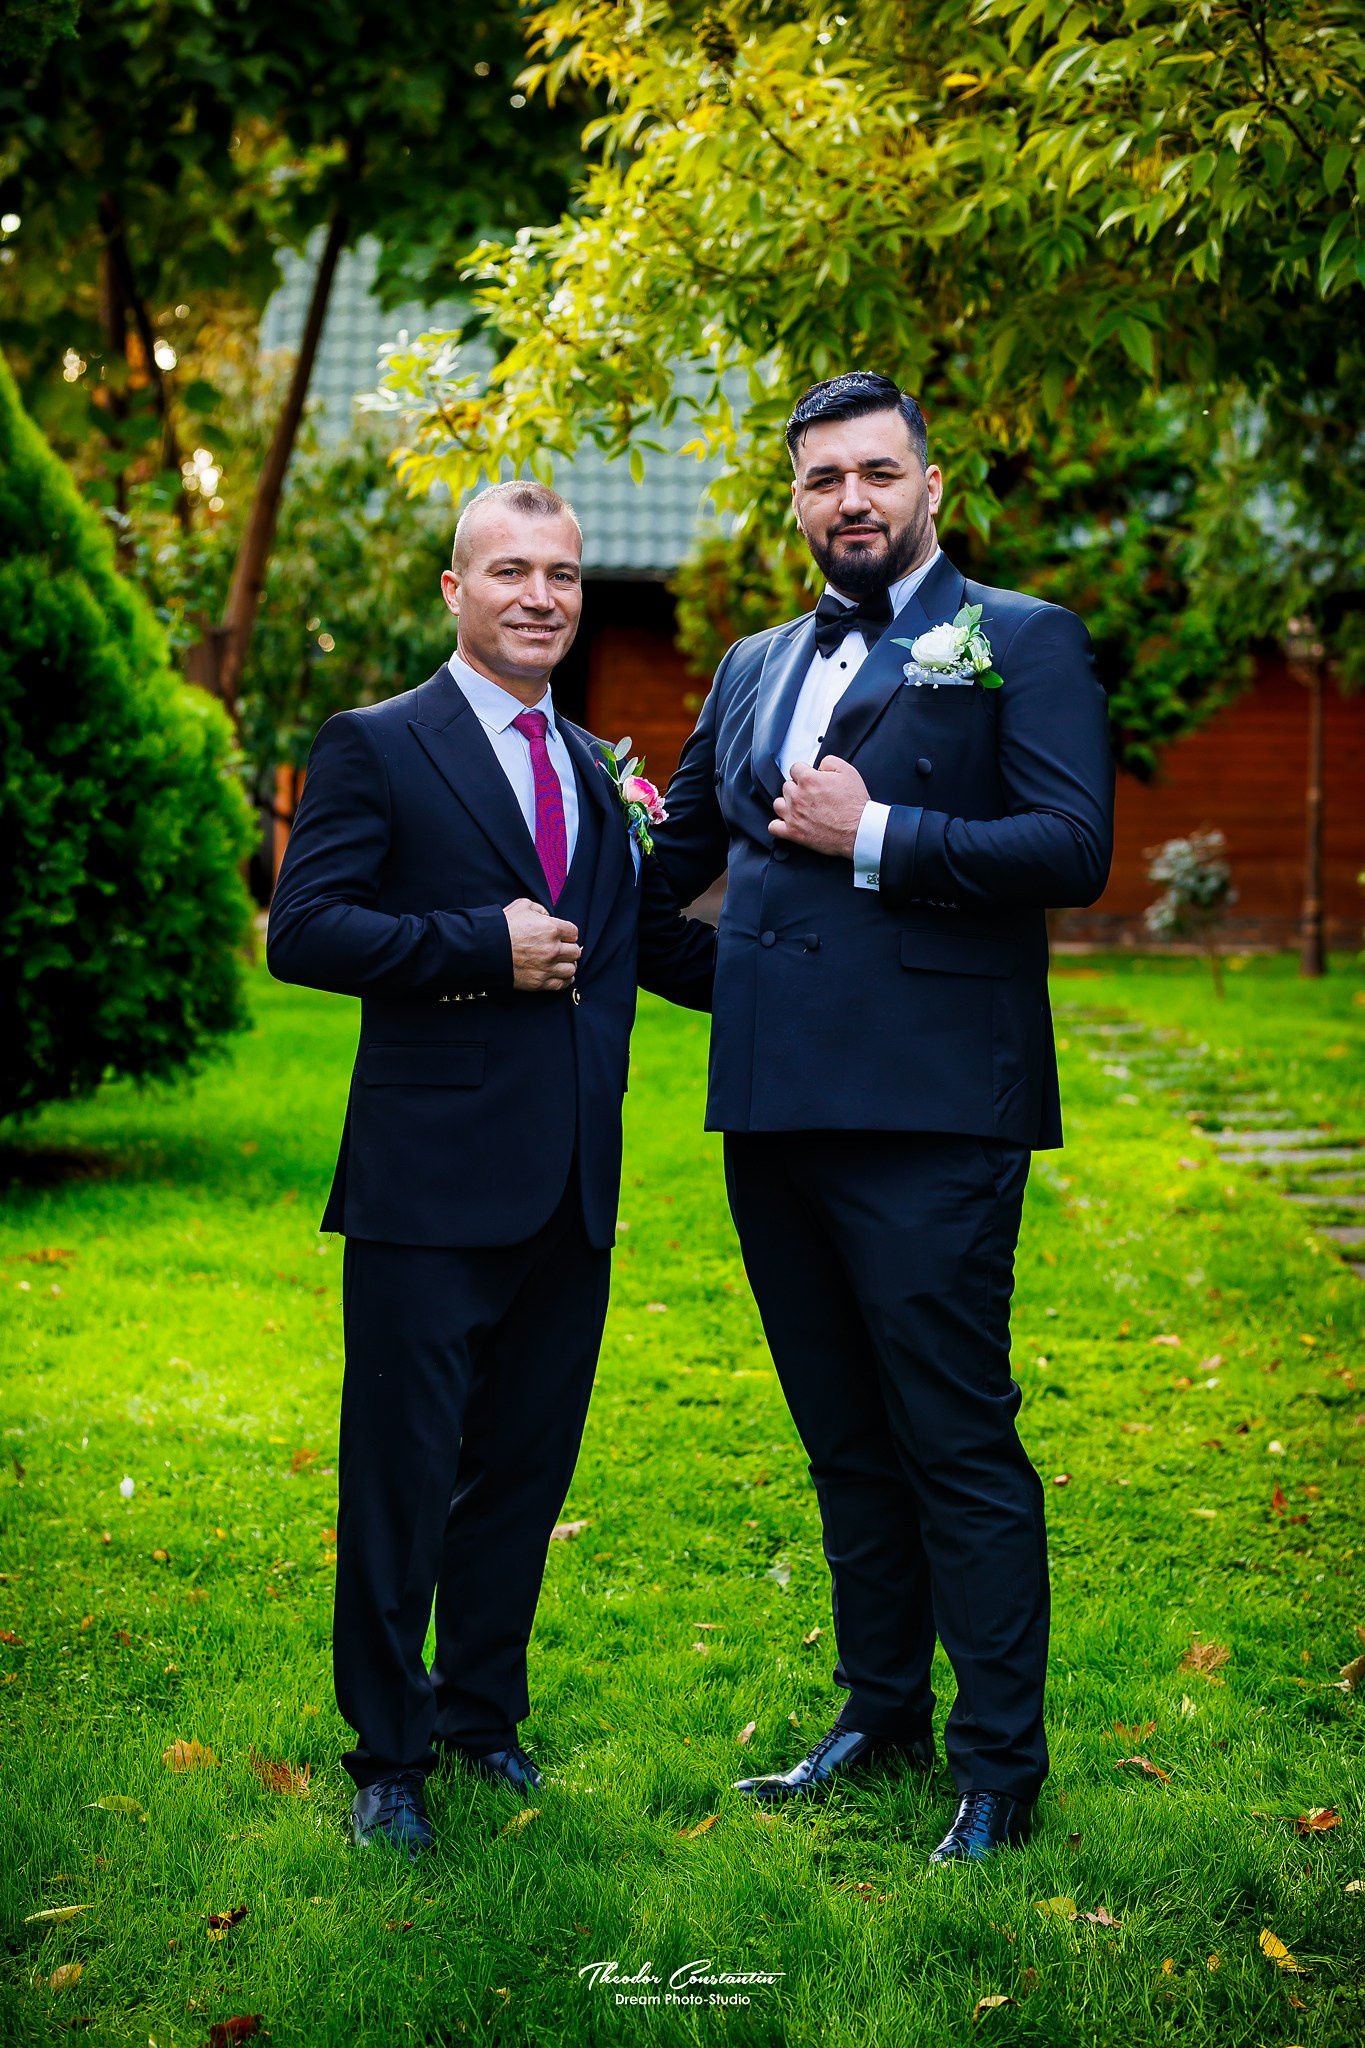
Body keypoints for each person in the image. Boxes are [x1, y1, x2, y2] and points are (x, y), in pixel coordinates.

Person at [650, 373, 1114, 1864]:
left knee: (952, 1436)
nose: (849, 499)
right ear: (794, 502)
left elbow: (1072, 845)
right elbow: (671, 869)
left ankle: (998, 1768)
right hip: (774, 1109)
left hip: (933, 1111)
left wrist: (881, 834)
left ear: (929, 487)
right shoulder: (749, 665)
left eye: (875, 472)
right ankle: (879, 1714)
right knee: (843, 1436)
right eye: (821, 479)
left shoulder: (1020, 639)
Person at [267, 480, 715, 1857]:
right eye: (510, 570)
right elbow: (305, 929)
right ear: (455, 590)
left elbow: (650, 947)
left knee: (521, 1473)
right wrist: (480, 945)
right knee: (401, 1477)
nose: (541, 596)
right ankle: (387, 1756)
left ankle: (480, 1717)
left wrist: (833, 967)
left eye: (562, 574)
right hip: (427, 1181)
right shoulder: (376, 743)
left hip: (572, 1182)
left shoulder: (594, 764)